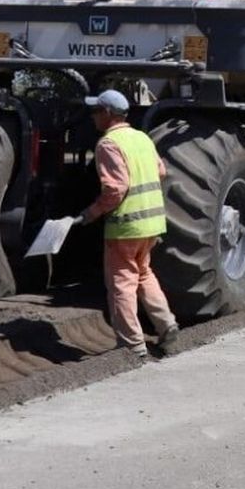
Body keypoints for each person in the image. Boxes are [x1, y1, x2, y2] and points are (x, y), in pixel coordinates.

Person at [76, 89, 179, 357]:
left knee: (122, 283)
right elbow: (161, 171)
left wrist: (90, 213)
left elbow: (115, 190)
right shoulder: (142, 138)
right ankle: (167, 326)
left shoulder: (108, 144)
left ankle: (132, 346)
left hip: (126, 226)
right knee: (144, 274)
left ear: (108, 114)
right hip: (152, 224)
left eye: (96, 111)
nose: (93, 117)